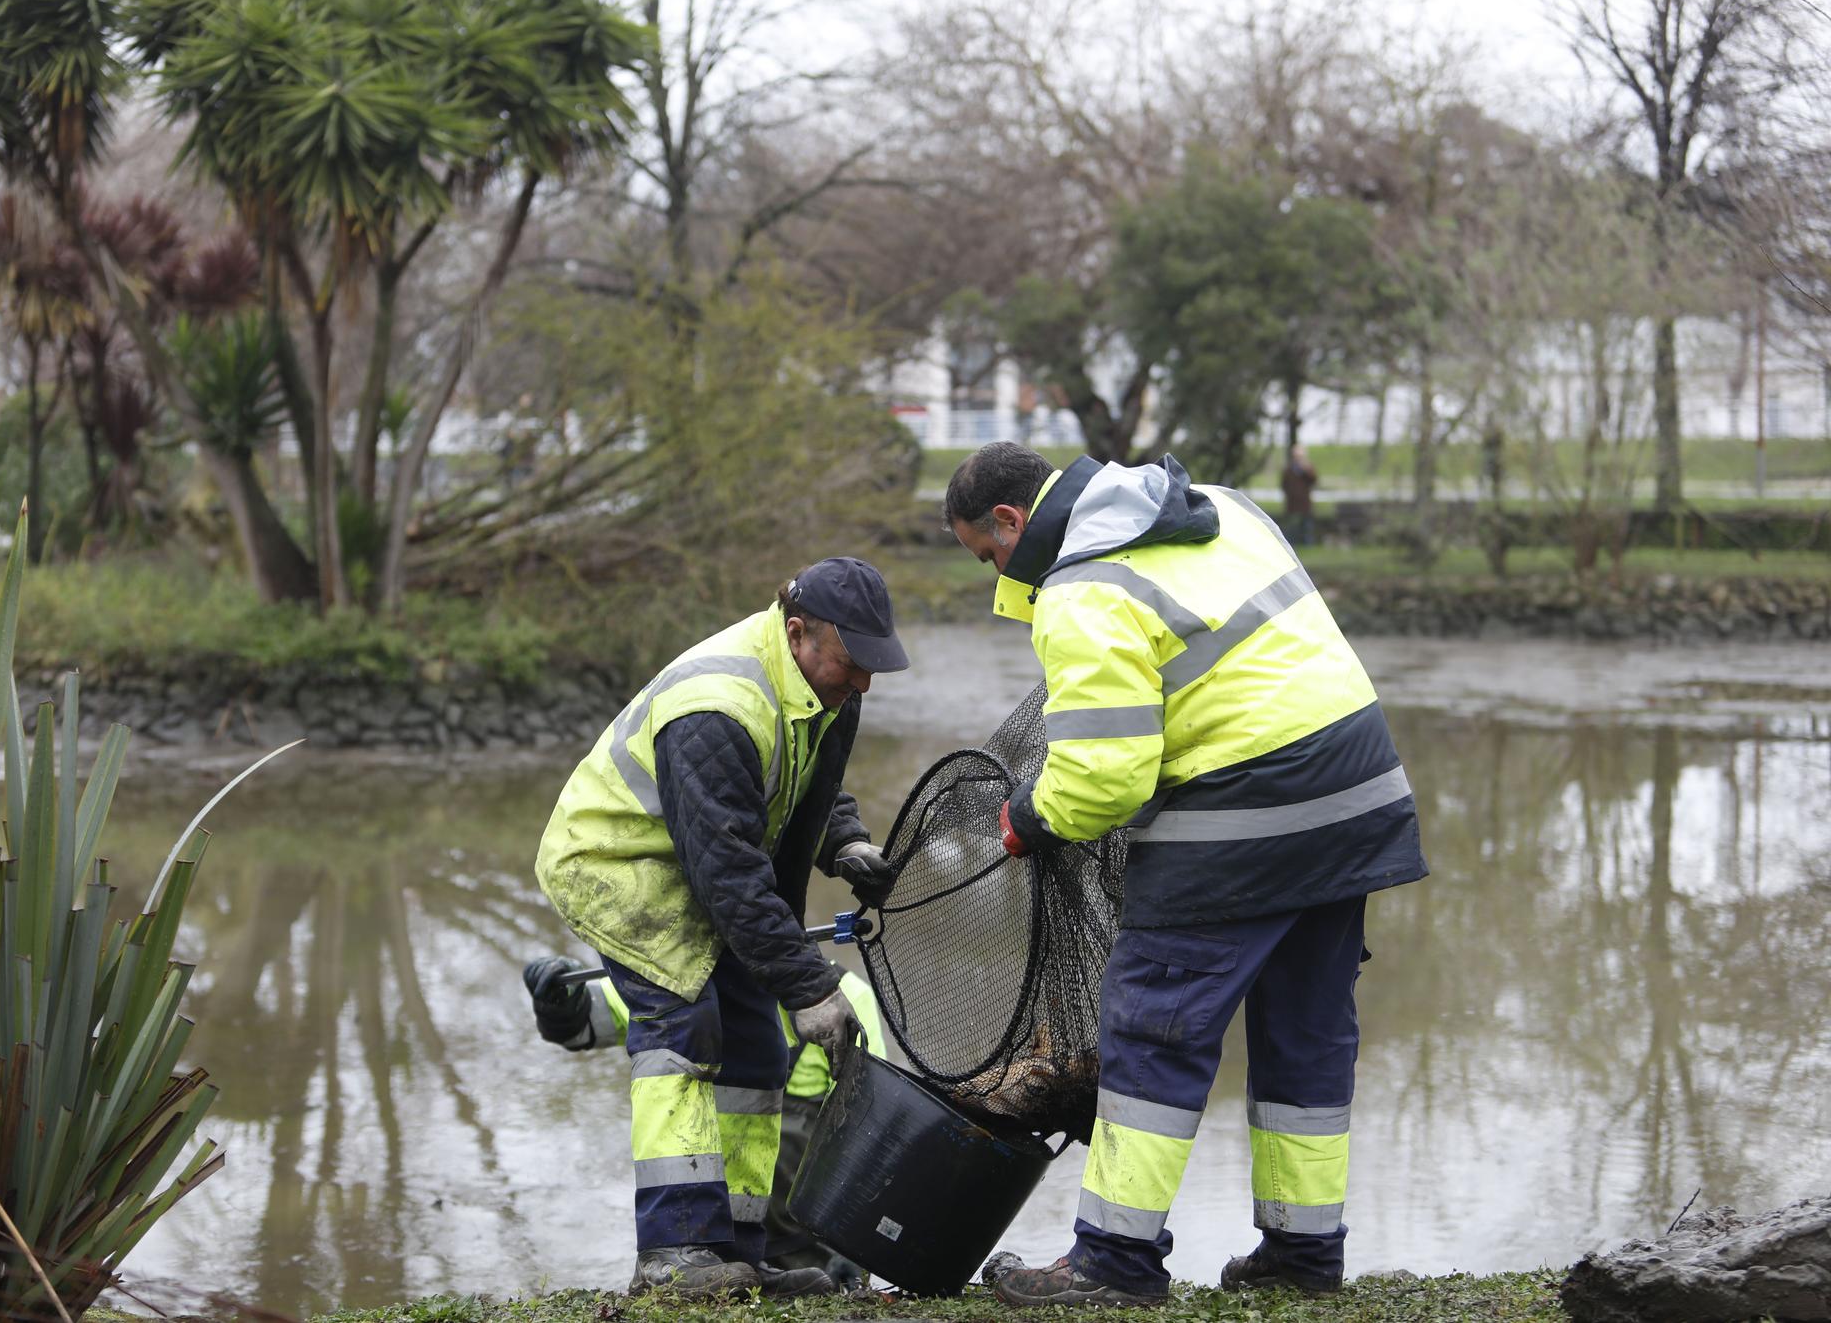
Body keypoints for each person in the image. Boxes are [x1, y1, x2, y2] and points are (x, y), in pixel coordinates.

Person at [942, 442, 1426, 1306]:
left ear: (1012, 522)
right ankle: (1304, 1254)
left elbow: (1106, 777)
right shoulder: (1219, 503)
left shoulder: (1083, 590)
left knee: (1152, 1026)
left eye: (988, 556)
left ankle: (1114, 1264)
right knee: (1306, 1028)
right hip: (1355, 797)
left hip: (1247, 808)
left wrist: (1027, 817)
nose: (995, 577)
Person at [534, 557, 907, 1301]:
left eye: (872, 664)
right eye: (850, 661)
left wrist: (846, 842)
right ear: (797, 633)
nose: (861, 681)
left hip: (705, 859)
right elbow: (729, 875)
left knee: (758, 1048)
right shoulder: (718, 703)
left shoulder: (828, 684)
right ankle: (676, 1253)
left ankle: (740, 1250)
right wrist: (808, 985)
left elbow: (806, 781)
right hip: (620, 863)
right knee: (683, 1031)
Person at [521, 953, 887, 1289]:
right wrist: (559, 1000)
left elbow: (867, 1131)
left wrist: (852, 1242)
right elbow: (583, 1024)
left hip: (806, 1240)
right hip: (703, 1245)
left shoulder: (843, 998)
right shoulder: (684, 974)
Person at [1281, 443, 1319, 546]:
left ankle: (1308, 544)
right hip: (1292, 502)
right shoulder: (1288, 469)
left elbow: (1314, 480)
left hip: (1304, 502)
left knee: (1307, 526)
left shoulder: (1308, 467)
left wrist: (1305, 469)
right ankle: (1292, 544)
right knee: (1292, 526)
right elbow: (1284, 484)